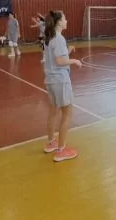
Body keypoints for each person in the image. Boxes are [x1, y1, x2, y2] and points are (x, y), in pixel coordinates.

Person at [42, 10, 81, 162]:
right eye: (64, 18)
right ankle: (61, 150)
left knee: (53, 111)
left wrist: (68, 51)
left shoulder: (49, 37)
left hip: (51, 80)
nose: (66, 20)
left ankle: (51, 143)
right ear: (58, 22)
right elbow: (59, 61)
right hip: (60, 80)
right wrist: (75, 61)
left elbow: (55, 57)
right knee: (67, 113)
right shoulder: (58, 38)